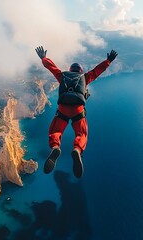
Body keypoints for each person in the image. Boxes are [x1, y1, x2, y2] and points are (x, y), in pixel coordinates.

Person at [35, 46, 118, 178]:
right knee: (81, 133)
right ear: (80, 71)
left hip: (62, 108)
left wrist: (44, 58)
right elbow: (97, 71)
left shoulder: (63, 76)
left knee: (55, 131)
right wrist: (108, 61)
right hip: (78, 110)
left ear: (70, 70)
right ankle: (77, 149)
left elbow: (52, 68)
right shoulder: (85, 77)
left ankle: (56, 147)